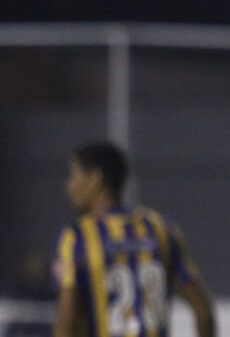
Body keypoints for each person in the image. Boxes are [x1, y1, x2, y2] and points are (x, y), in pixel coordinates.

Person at [53, 141, 216, 337]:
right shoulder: (161, 228)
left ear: (95, 178)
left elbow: (67, 319)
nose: (68, 186)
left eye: (73, 175)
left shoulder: (77, 236)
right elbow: (203, 310)